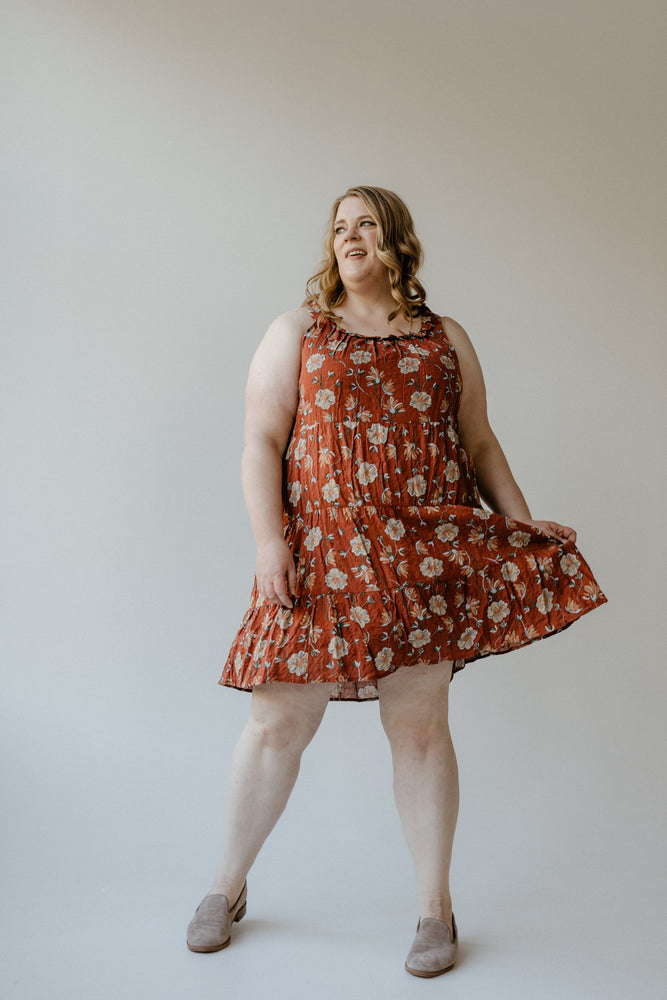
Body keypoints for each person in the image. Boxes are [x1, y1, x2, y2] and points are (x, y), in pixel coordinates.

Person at [186, 185, 607, 976]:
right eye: (338, 227)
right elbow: (258, 440)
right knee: (276, 725)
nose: (349, 237)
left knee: (417, 730)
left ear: (396, 241)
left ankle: (433, 909)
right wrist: (269, 542)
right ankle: (225, 886)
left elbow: (478, 444)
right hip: (319, 552)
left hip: (418, 558)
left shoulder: (444, 338)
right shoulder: (298, 331)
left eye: (365, 224)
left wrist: (517, 524)